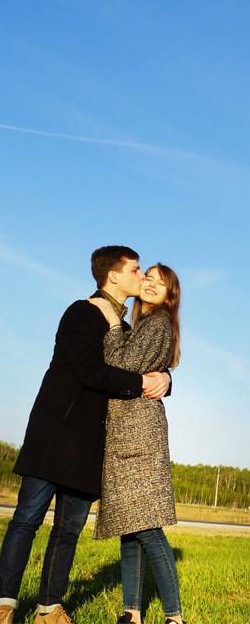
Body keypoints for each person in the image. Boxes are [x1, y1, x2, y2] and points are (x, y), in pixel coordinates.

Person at [0, 247, 170, 624]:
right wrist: (140, 381)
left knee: (68, 531)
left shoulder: (125, 329)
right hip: (54, 434)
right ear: (113, 276)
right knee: (26, 520)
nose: (142, 276)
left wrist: (166, 380)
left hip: (90, 446)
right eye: (136, 269)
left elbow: (142, 360)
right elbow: (88, 370)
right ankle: (5, 603)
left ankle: (49, 608)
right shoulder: (82, 312)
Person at [90, 264, 185, 624]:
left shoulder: (158, 323)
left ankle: (174, 617)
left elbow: (120, 363)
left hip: (138, 436)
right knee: (129, 528)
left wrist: (112, 325)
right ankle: (132, 612)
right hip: (125, 434)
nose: (150, 284)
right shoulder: (143, 325)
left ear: (168, 296)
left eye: (160, 283)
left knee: (147, 526)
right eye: (148, 276)